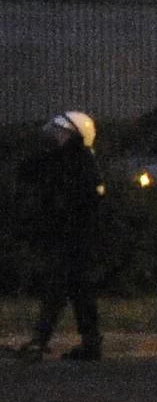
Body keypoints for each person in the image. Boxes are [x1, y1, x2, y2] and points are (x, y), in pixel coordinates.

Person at [15, 110, 106, 360]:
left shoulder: (80, 164)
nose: (56, 137)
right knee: (80, 292)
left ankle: (40, 341)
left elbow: (78, 204)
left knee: (59, 288)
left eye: (62, 133)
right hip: (72, 238)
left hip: (75, 239)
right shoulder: (64, 160)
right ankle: (91, 343)